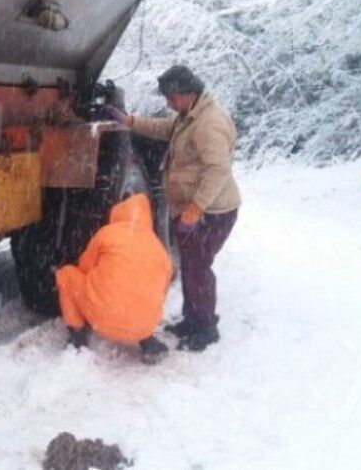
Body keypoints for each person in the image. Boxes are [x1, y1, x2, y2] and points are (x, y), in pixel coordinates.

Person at [107, 65, 241, 352]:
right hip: (197, 209)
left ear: (188, 93)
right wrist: (130, 121)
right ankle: (193, 319)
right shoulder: (188, 116)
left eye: (171, 97)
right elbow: (163, 128)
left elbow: (217, 170)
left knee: (199, 266)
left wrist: (195, 210)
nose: (168, 103)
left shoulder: (209, 124)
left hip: (213, 211)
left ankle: (205, 328)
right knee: (192, 265)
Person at [55, 193, 173, 363]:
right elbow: (161, 292)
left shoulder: (107, 234)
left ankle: (78, 336)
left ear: (118, 212)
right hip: (145, 325)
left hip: (103, 319)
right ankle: (147, 340)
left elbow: (84, 267)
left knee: (66, 274)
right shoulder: (158, 247)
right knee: (144, 292)